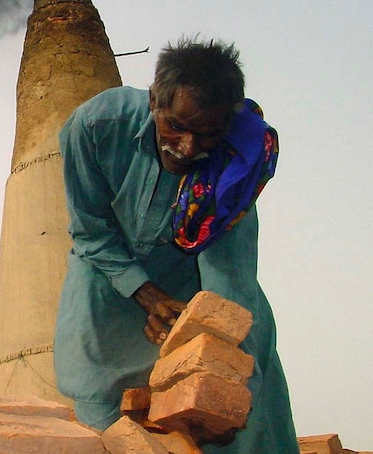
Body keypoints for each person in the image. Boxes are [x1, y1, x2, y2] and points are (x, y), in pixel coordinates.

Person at [53, 38, 298, 452]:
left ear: (228, 122)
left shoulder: (236, 162)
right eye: (175, 126)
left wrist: (218, 366)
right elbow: (90, 230)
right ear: (154, 101)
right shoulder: (96, 126)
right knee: (104, 412)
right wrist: (145, 294)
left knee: (234, 402)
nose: (187, 148)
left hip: (194, 288)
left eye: (208, 134)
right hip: (109, 279)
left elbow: (228, 273)